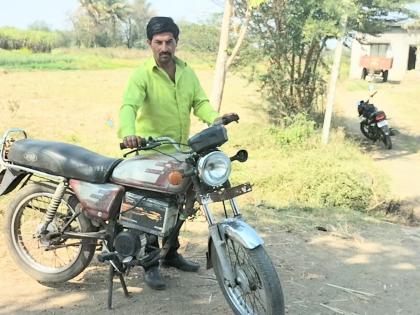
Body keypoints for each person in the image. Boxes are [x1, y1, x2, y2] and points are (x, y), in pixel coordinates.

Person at [118, 16, 234, 290]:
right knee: (152, 210)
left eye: (169, 41)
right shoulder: (142, 75)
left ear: (176, 43)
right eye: (158, 42)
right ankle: (149, 263)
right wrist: (128, 133)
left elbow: (200, 103)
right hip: (151, 154)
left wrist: (215, 118)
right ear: (149, 44)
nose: (164, 47)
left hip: (182, 153)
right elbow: (128, 106)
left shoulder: (186, 71)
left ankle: (169, 253)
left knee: (184, 205)